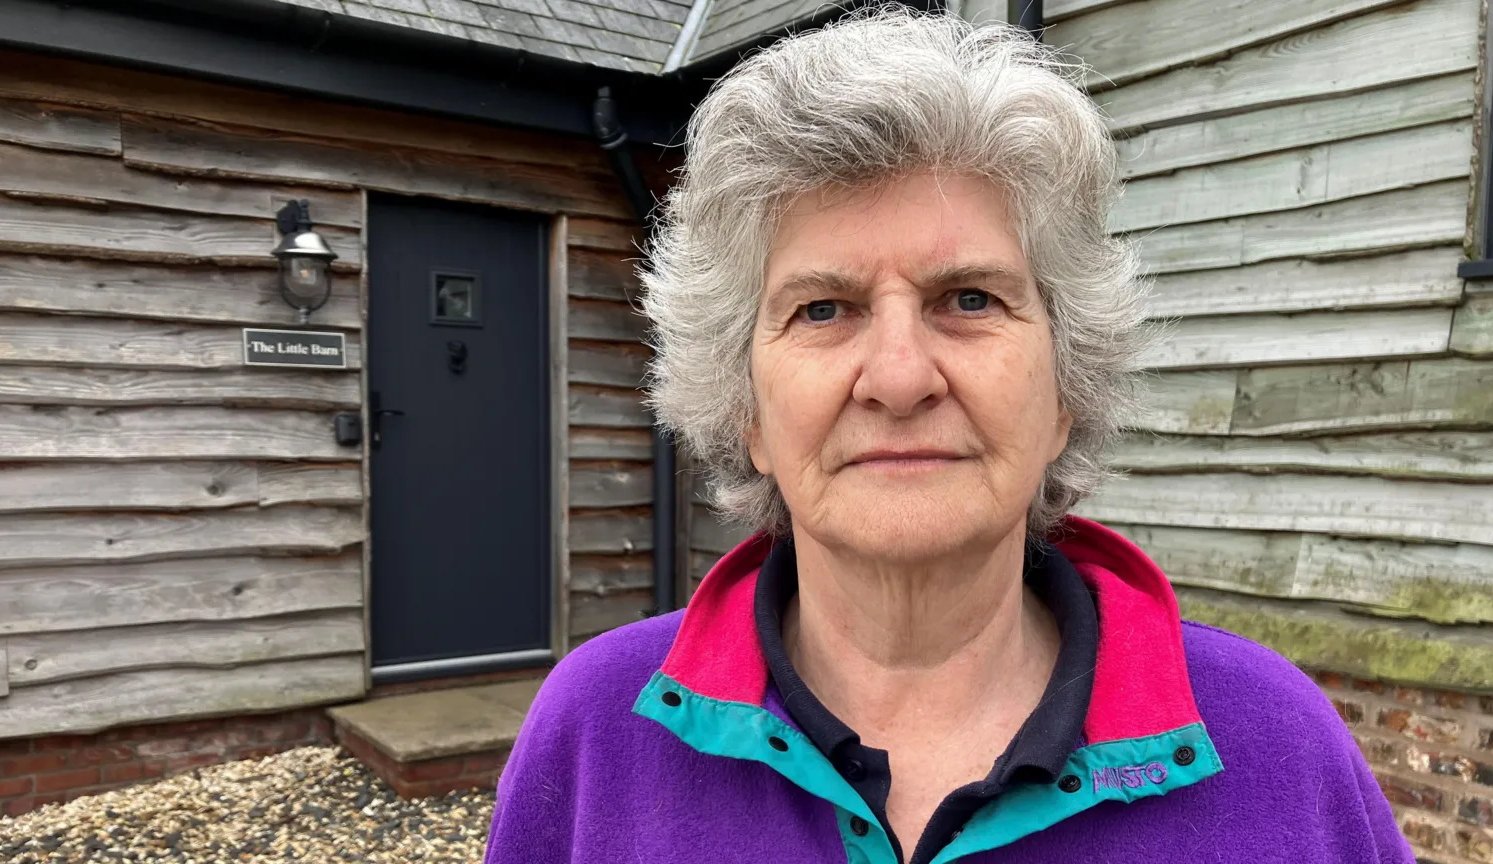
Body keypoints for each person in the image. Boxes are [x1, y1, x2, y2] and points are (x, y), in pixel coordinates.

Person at [484, 10, 1414, 864]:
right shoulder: (596, 735)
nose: (899, 379)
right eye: (822, 309)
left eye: (969, 299)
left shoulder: (1277, 746)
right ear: (748, 412)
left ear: (1065, 388)